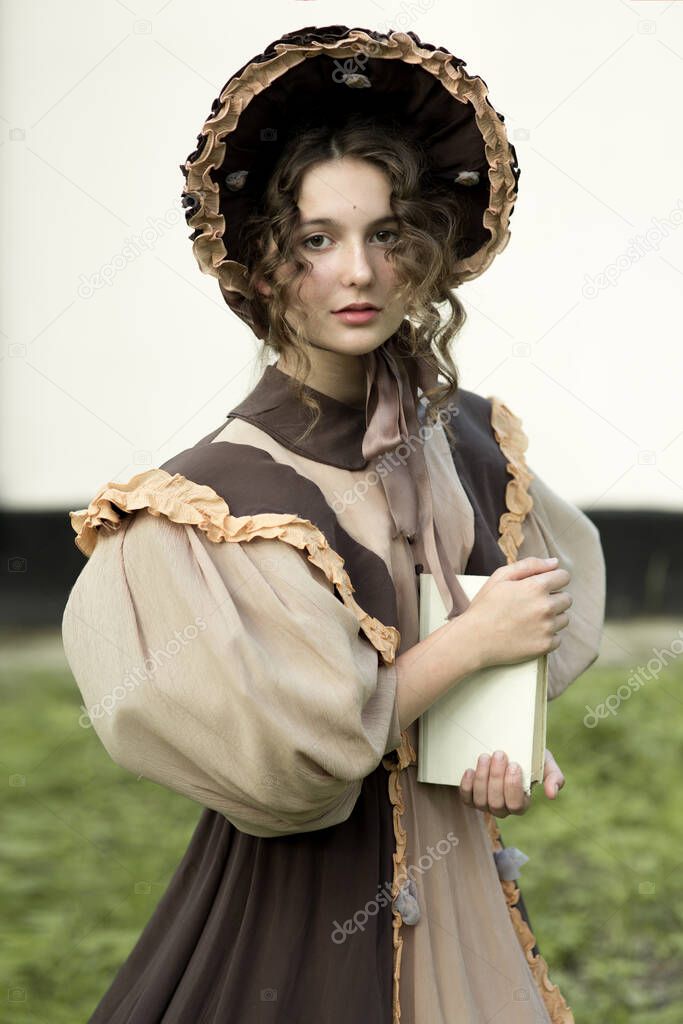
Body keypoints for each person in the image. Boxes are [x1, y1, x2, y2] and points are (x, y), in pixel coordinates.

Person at [61, 25, 606, 1023]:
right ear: (265, 267)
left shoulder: (465, 436)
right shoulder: (212, 503)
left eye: (386, 234)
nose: (355, 271)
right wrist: (472, 648)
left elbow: (474, 613)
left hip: (459, 884)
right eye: (317, 240)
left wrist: (504, 724)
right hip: (307, 903)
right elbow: (298, 767)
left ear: (423, 256)